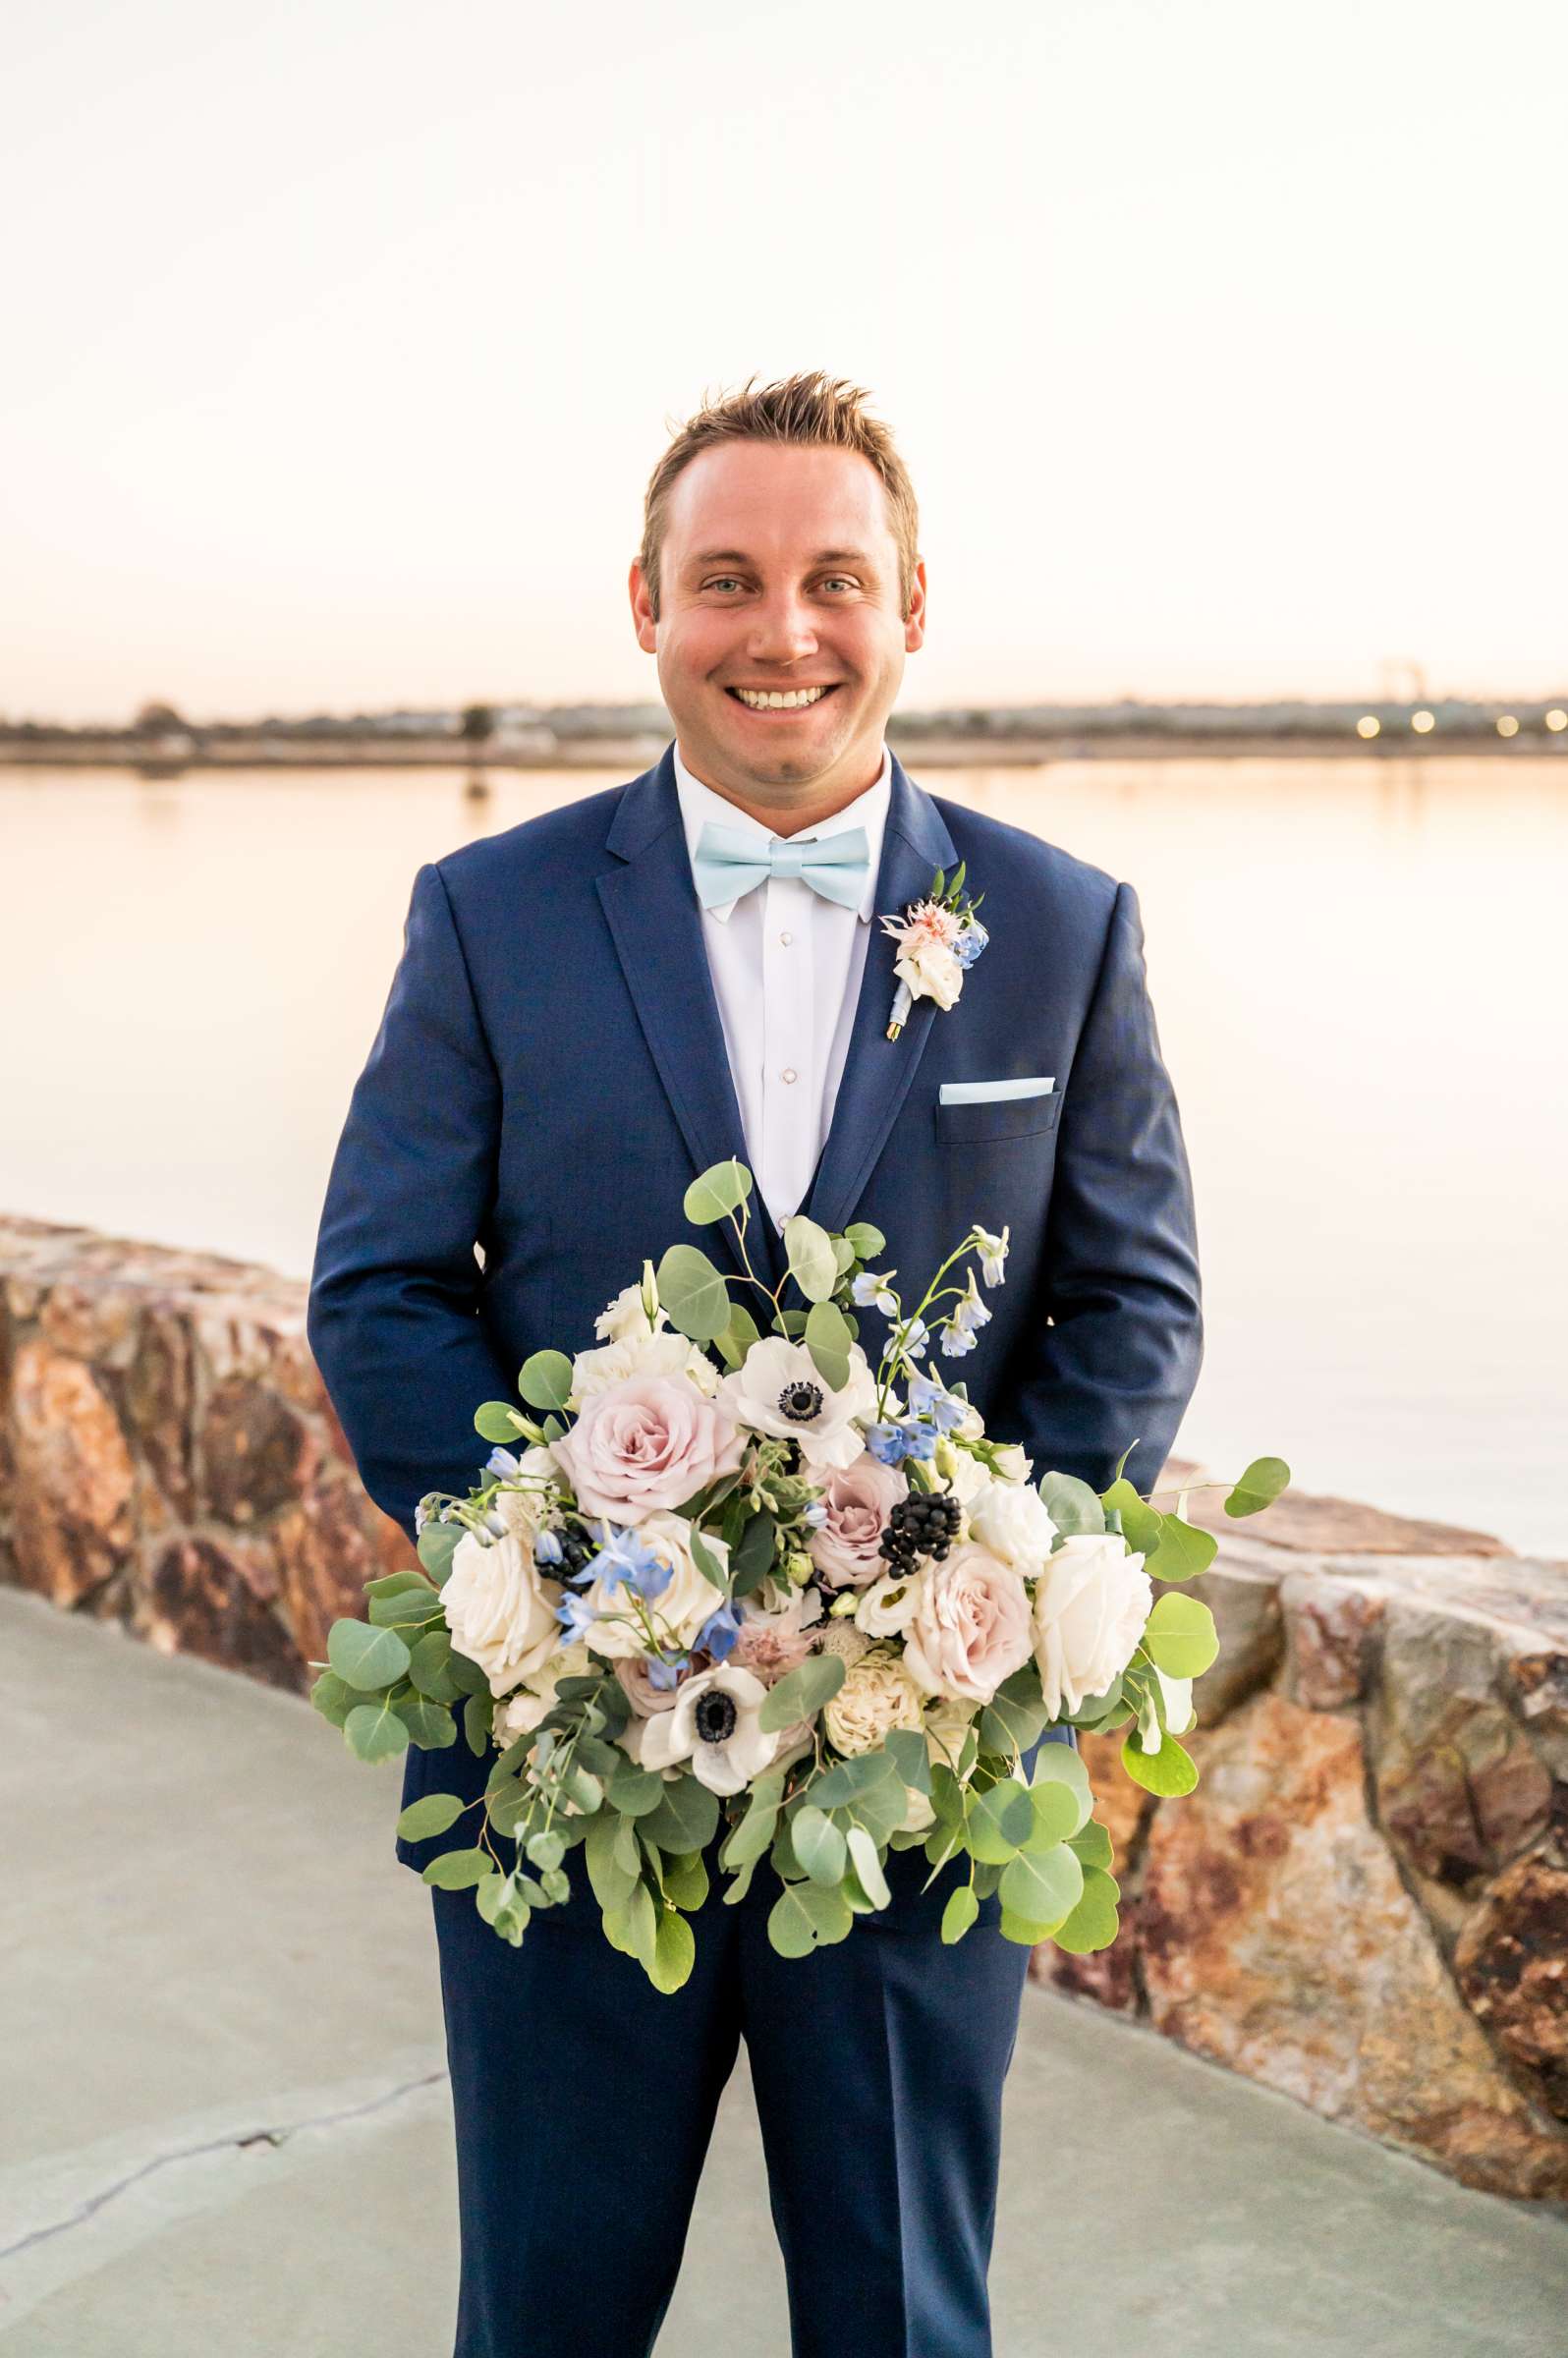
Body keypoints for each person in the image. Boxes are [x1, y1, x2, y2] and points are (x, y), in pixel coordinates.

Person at [308, 370, 1203, 2358]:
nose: (780, 631)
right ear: (645, 603)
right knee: (546, 2308)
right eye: (727, 579)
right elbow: (380, 1290)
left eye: (830, 581)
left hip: (916, 1780)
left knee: (902, 2313)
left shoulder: (1060, 928)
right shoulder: (490, 914)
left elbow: (1132, 1309)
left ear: (910, 609)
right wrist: (559, 1591)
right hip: (560, 1762)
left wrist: (961, 1603)